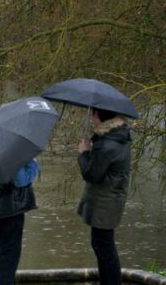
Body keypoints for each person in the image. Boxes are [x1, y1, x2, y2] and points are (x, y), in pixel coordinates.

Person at [77, 108, 132, 285]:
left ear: (100, 116)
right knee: (101, 244)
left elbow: (92, 174)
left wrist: (84, 153)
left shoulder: (107, 145)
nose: (92, 117)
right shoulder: (117, 137)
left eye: (94, 114)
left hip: (105, 202)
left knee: (104, 247)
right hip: (110, 199)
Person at [0, 158, 39, 285]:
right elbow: (20, 180)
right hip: (11, 209)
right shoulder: (10, 152)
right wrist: (33, 164)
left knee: (0, 251)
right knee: (9, 256)